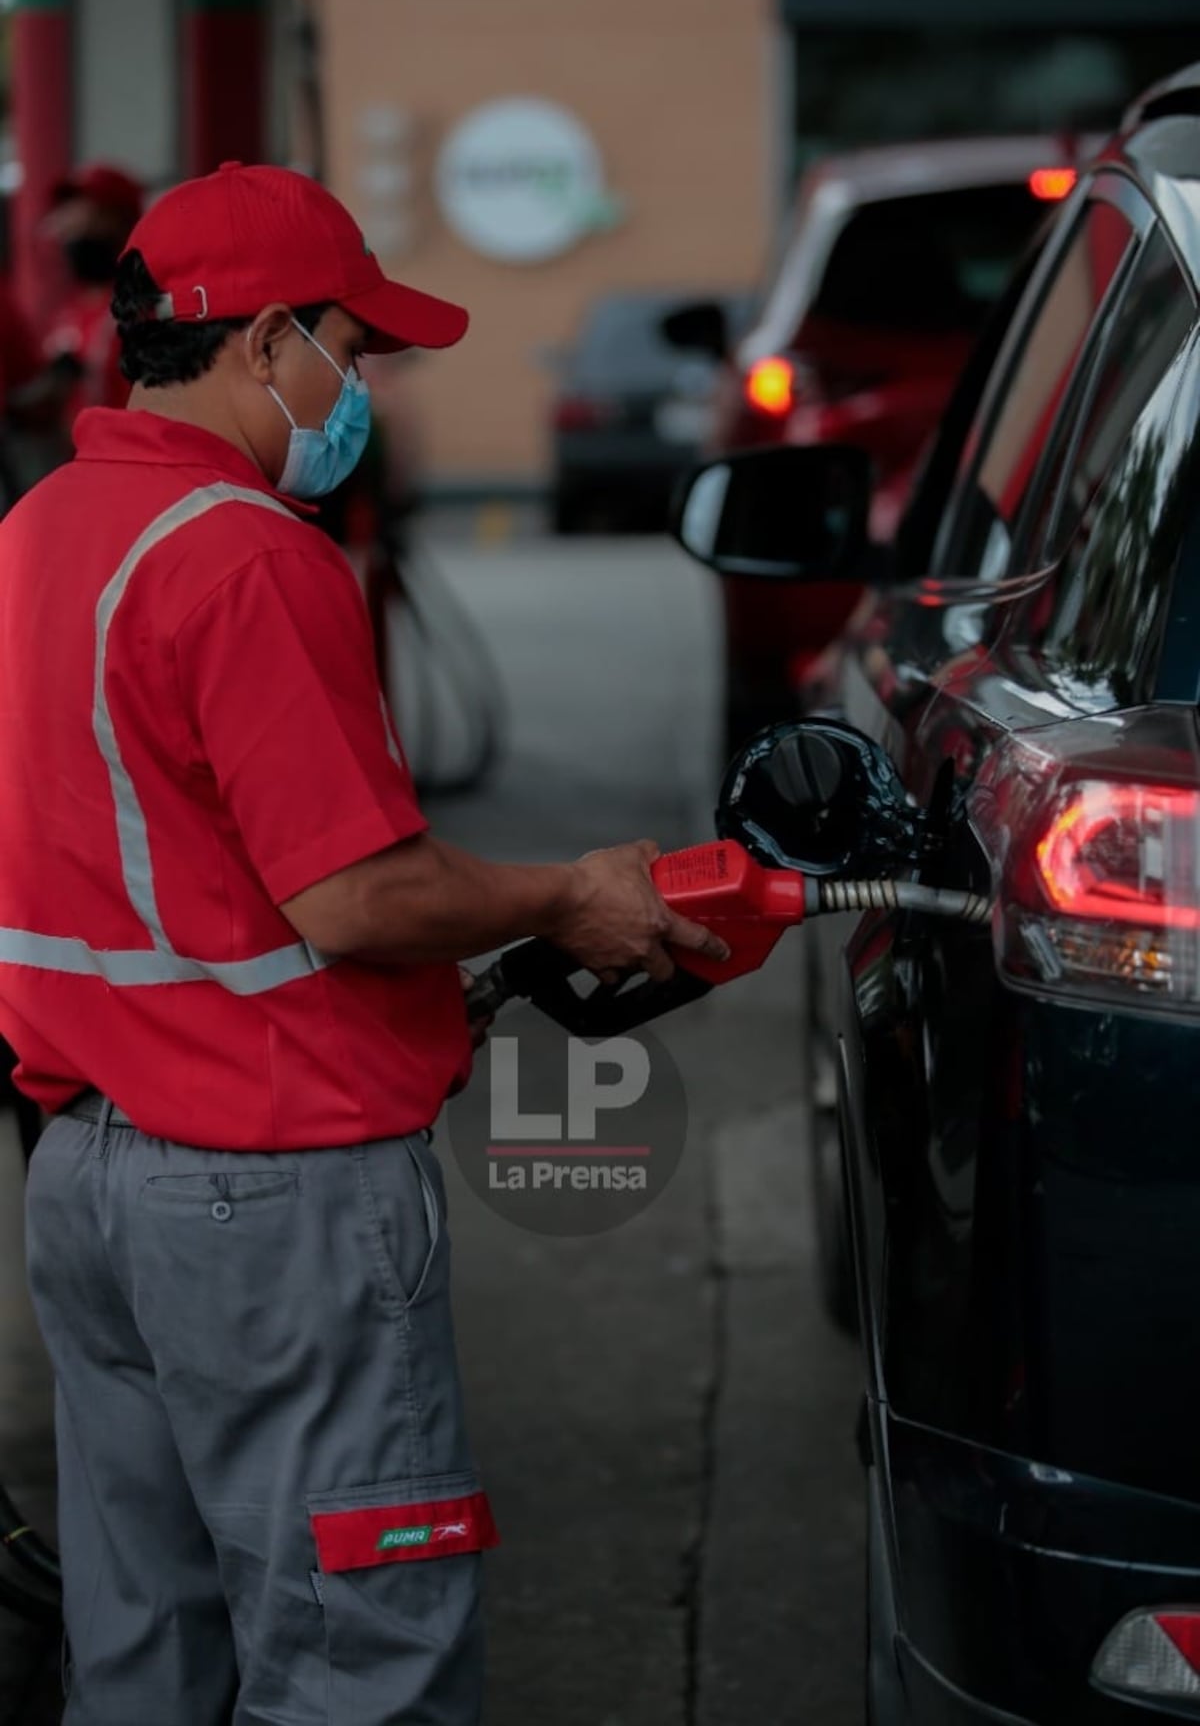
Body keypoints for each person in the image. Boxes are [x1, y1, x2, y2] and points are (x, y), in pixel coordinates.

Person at [0, 161, 729, 1725]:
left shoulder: (42, 530)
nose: (365, 386)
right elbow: (359, 899)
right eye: (354, 346)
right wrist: (566, 895)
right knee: (356, 1662)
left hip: (86, 1179)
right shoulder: (247, 557)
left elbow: (171, 875)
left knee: (142, 1652)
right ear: (267, 344)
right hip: (269, 1206)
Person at [40, 162, 144, 421]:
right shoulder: (66, 312)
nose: (72, 231)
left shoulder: (144, 309)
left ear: (120, 222)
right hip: (74, 457)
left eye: (90, 218)